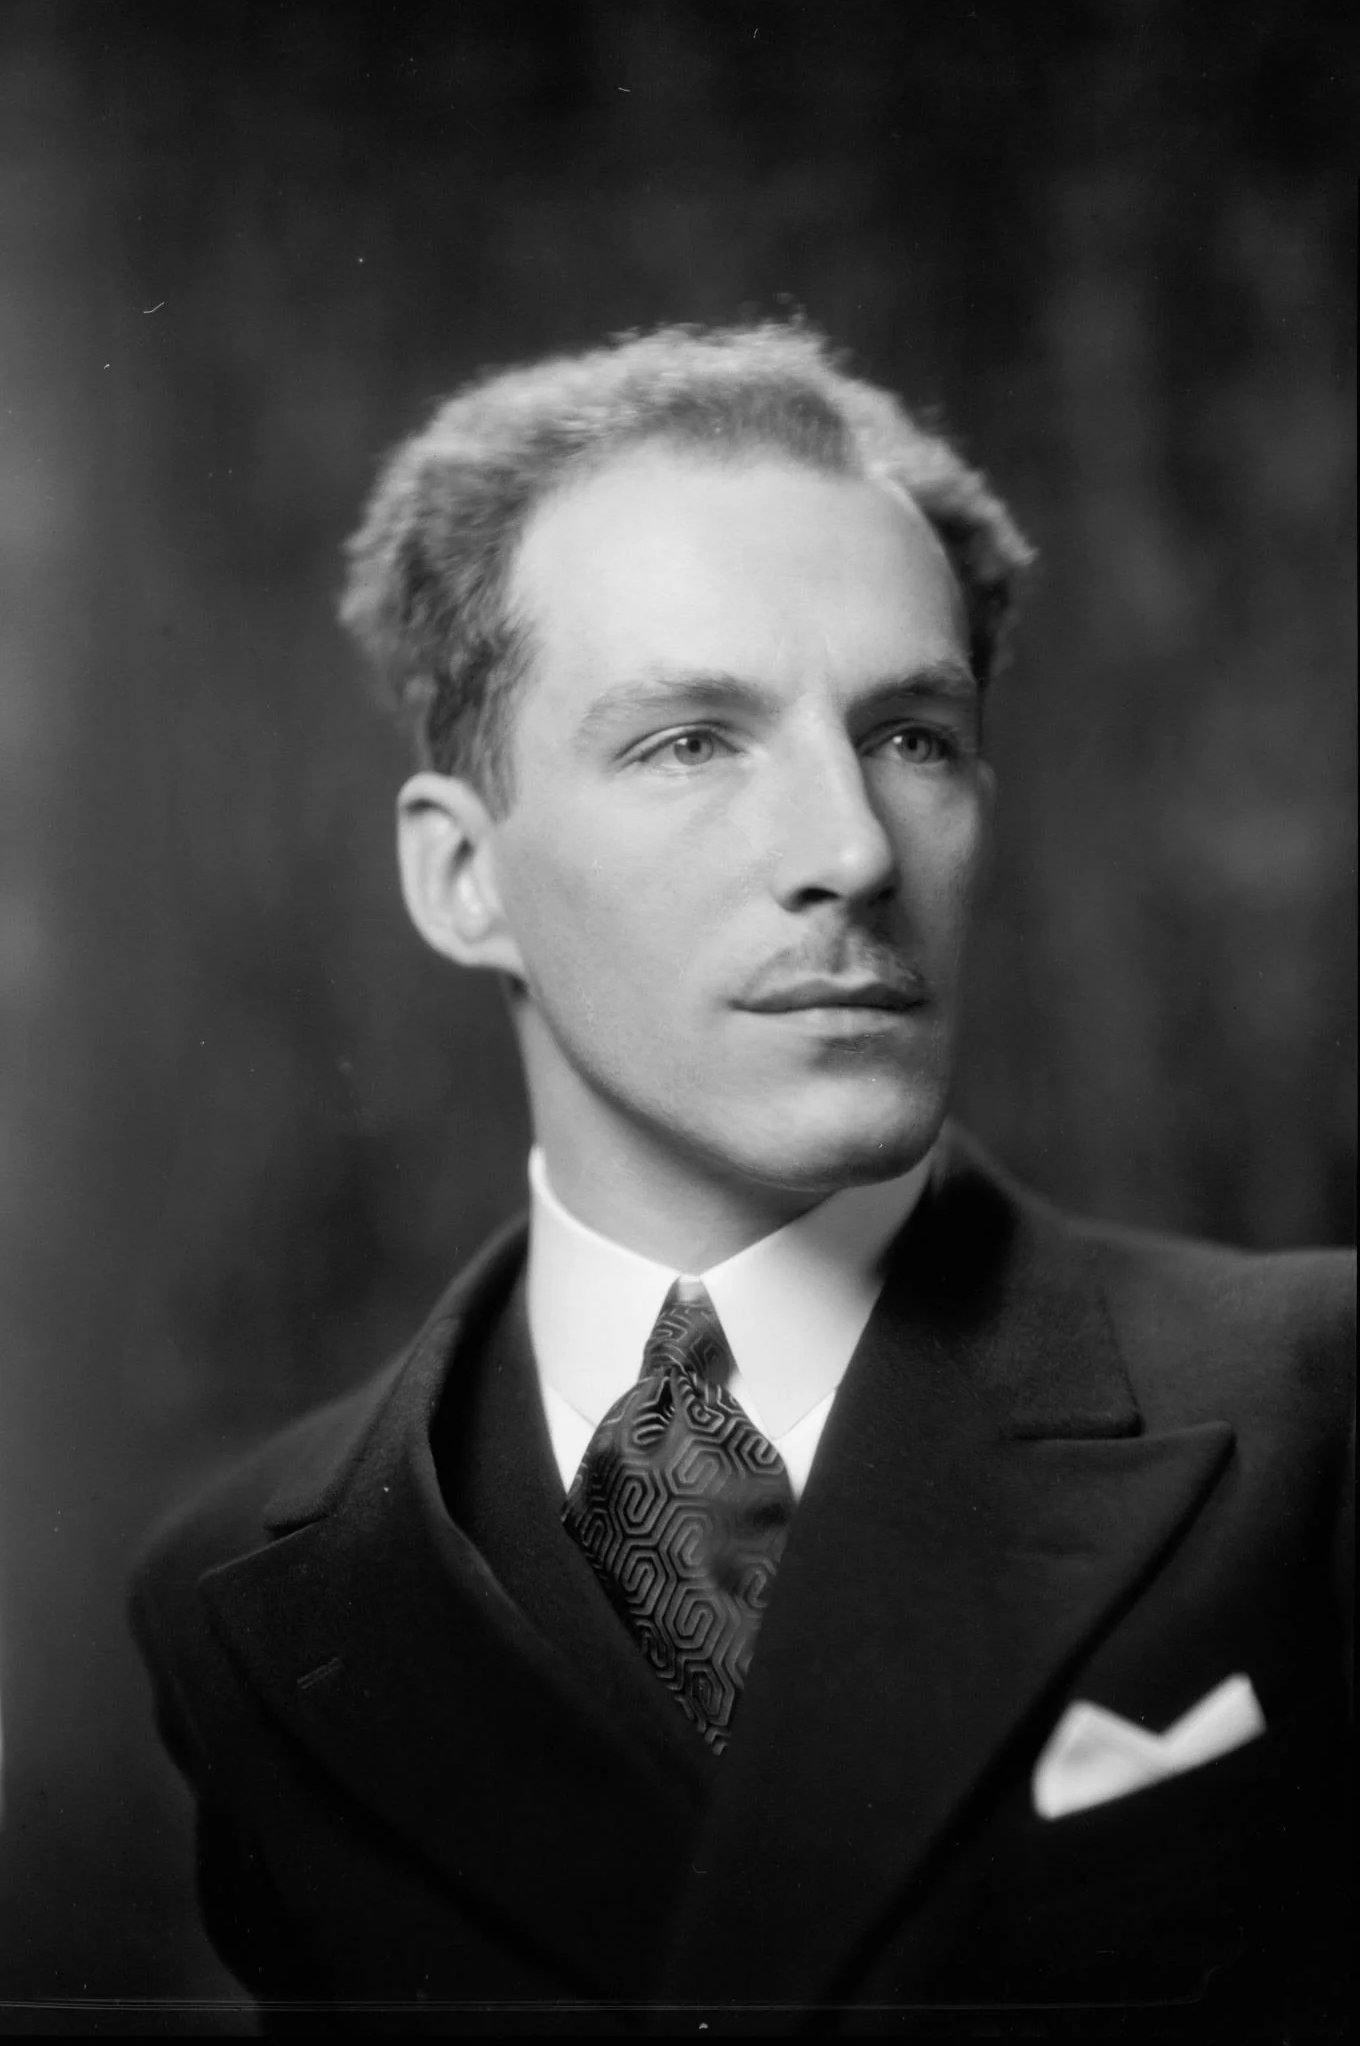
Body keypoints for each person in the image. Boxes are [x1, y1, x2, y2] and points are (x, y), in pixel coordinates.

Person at [130, 323, 1353, 2034]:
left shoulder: (1319, 1402)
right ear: (463, 878)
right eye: (691, 742)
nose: (851, 850)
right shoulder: (251, 1599)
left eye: (912, 737)